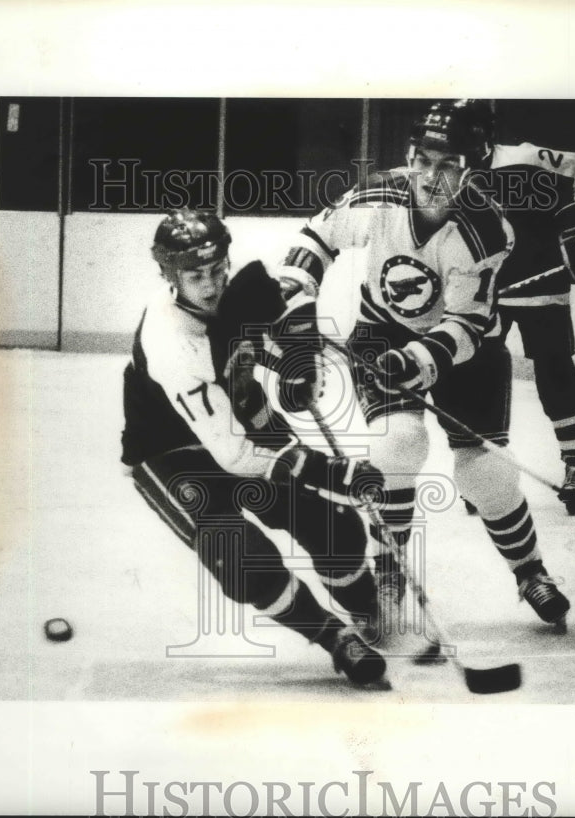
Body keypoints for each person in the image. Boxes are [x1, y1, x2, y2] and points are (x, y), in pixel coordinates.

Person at [274, 99, 571, 635]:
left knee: (485, 472)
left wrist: (417, 359)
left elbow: (465, 324)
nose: (431, 177)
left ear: (472, 168)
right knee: (397, 443)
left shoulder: (487, 230)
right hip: (381, 331)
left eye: (449, 164)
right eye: (424, 160)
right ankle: (388, 569)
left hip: (467, 353)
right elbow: (315, 239)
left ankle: (530, 571)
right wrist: (297, 302)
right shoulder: (378, 196)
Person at [119, 209, 388, 687]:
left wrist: (296, 365)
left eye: (218, 268)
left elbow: (288, 303)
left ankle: (368, 605)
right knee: (240, 555)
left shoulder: (235, 293)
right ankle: (333, 637)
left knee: (333, 526)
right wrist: (332, 474)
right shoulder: (169, 341)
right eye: (196, 275)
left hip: (235, 425)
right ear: (170, 275)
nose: (212, 283)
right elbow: (235, 456)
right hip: (172, 455)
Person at [467, 101, 575, 515]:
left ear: (484, 137)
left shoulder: (528, 158)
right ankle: (479, 467)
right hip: (481, 288)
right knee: (478, 370)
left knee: (554, 368)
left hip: (540, 280)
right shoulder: (440, 172)